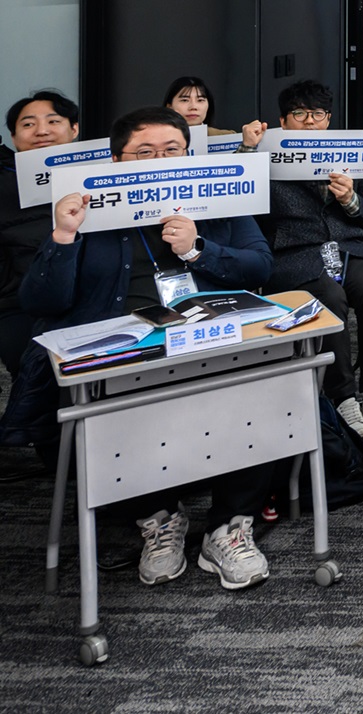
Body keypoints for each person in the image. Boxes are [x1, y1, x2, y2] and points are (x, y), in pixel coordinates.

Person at [17, 107, 275, 588]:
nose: (159, 160)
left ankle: (228, 527)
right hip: (125, 349)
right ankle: (159, 518)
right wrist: (64, 236)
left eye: (172, 150)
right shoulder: (84, 206)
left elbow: (260, 267)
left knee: (262, 387)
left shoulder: (220, 197)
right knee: (117, 405)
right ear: (116, 160)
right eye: (144, 152)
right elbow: (39, 302)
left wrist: (197, 249)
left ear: (189, 154)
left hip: (208, 336)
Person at [238, 81, 363, 439]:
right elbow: (240, 198)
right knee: (330, 298)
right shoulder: (264, 157)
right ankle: (342, 396)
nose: (309, 121)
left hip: (349, 249)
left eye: (318, 114)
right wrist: (247, 149)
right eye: (299, 113)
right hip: (293, 254)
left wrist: (351, 201)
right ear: (283, 121)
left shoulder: (349, 154)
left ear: (328, 119)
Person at [0, 92, 82, 382]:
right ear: (13, 137)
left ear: (74, 129)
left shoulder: (102, 173)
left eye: (53, 121)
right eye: (28, 124)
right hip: (20, 302)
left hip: (95, 292)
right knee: (34, 376)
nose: (42, 131)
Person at [165, 76, 234, 135]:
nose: (193, 107)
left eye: (200, 100)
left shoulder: (226, 136)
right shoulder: (159, 138)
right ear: (169, 107)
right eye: (185, 100)